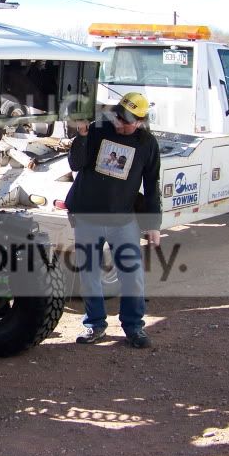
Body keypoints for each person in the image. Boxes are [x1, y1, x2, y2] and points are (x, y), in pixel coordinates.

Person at [65, 92, 161, 348]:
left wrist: (153, 224)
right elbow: (75, 163)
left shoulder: (147, 144)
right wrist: (82, 136)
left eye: (127, 120)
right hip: (87, 213)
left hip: (123, 217)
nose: (120, 123)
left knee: (132, 274)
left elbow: (152, 185)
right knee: (89, 274)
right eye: (118, 116)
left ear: (140, 121)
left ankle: (134, 327)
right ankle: (94, 325)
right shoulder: (97, 130)